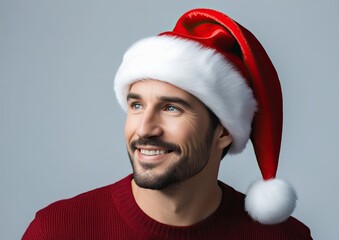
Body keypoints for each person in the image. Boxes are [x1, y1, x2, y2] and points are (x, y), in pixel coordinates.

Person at [23, 8, 312, 239]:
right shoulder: (58, 231)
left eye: (171, 108)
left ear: (223, 130)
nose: (145, 128)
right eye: (136, 105)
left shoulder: (285, 237)